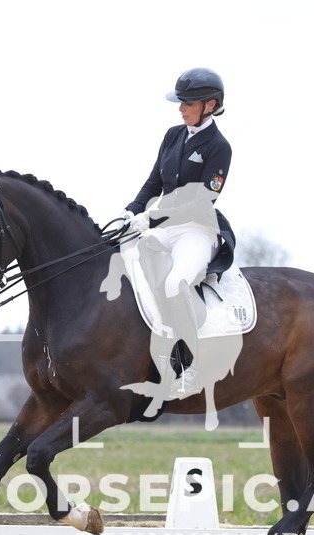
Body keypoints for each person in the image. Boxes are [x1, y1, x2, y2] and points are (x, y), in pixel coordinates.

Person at [119, 67, 236, 400]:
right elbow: (153, 182)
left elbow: (202, 201)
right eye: (180, 103)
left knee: (176, 283)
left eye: (188, 103)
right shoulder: (173, 135)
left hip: (197, 230)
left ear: (210, 105)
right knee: (122, 260)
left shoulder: (219, 146)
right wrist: (131, 211)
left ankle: (190, 364)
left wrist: (152, 217)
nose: (181, 109)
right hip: (164, 227)